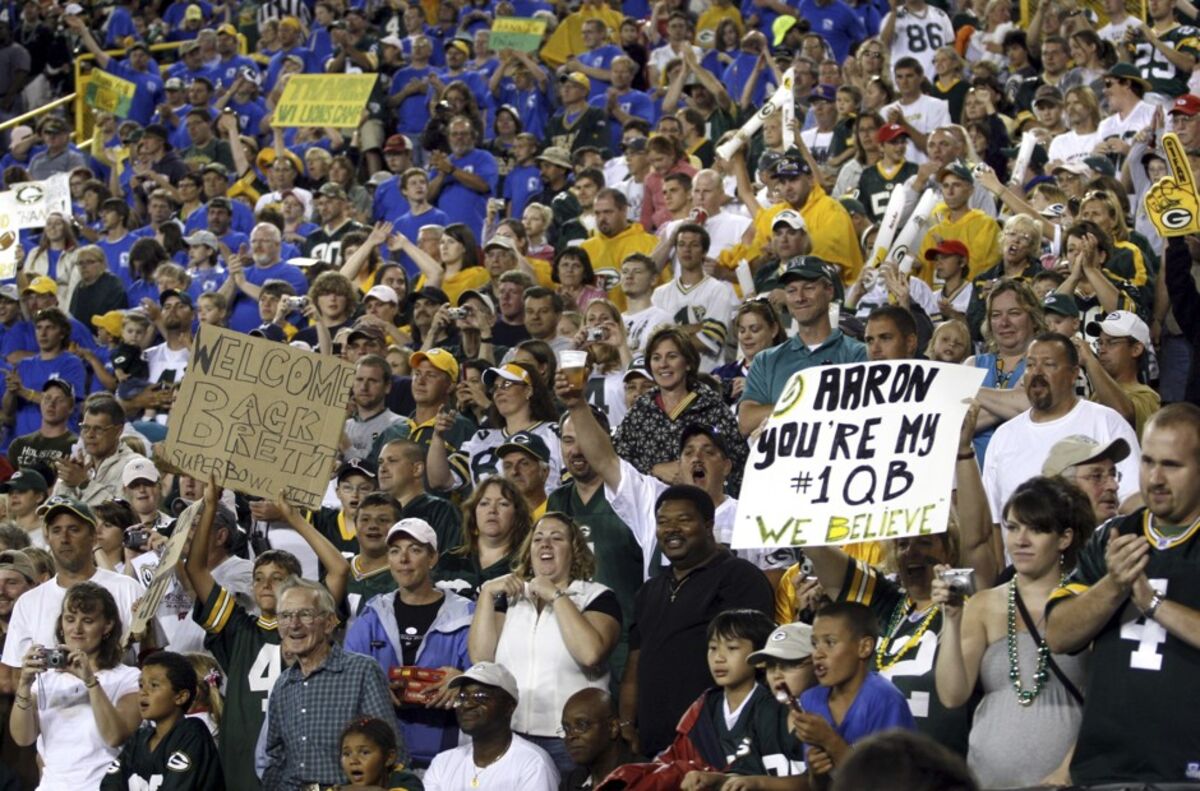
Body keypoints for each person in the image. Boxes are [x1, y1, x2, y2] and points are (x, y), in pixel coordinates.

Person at [1046, 403, 1200, 785]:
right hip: (1106, 772)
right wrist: (1114, 584)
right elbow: (1059, 634)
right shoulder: (1112, 537)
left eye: (1172, 465)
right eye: (1147, 462)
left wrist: (1153, 604)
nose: (1156, 478)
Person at [933, 476, 1091, 787]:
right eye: (1013, 527)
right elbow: (952, 695)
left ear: (1064, 538)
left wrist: (1067, 771)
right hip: (987, 779)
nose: (1021, 540)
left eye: (1036, 529)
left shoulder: (1088, 603)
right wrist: (951, 620)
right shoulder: (982, 605)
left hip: (1065, 783)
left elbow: (1106, 703)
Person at [621, 485, 773, 758]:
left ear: (708, 524)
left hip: (716, 743)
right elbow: (635, 661)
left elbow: (754, 664)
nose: (671, 529)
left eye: (684, 520)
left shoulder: (740, 578)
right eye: (663, 522)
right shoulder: (649, 590)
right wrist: (626, 724)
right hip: (654, 743)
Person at [469, 512, 621, 772]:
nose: (545, 544)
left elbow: (590, 653)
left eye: (556, 538)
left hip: (569, 740)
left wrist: (556, 596)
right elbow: (482, 659)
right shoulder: (512, 598)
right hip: (512, 735)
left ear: (574, 550)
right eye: (538, 539)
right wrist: (486, 595)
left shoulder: (596, 596)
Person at [344, 518, 473, 770]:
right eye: (395, 551)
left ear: (433, 558)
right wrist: (375, 688)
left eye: (414, 550)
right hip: (382, 762)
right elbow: (347, 678)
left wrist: (464, 680)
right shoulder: (372, 615)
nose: (403, 559)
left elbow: (488, 676)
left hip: (450, 758)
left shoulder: (466, 614)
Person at [982, 333, 1141, 529]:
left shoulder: (1106, 422)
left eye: (1049, 364)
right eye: (1030, 365)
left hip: (1094, 557)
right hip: (1018, 559)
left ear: (1074, 374)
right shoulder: (1003, 436)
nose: (1037, 372)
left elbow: (1133, 501)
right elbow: (993, 521)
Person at [262, 577, 398, 790]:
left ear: (328, 623)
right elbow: (276, 758)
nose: (294, 624)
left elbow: (390, 749)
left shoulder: (361, 671)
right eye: (285, 616)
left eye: (305, 614)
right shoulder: (283, 684)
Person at [10, 582, 141, 789]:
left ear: (107, 626)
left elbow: (115, 736)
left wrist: (90, 681)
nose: (77, 629)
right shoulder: (46, 679)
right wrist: (24, 685)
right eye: (70, 619)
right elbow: (23, 738)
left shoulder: (128, 678)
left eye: (87, 621)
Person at [1, 495, 144, 674]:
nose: (64, 538)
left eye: (74, 529)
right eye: (56, 530)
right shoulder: (28, 602)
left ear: (93, 537)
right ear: (47, 538)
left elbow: (149, 659)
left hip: (116, 699)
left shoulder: (128, 589)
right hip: (50, 701)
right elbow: (16, 674)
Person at [738, 257, 866, 436]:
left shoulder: (859, 354)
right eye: (791, 291)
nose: (799, 298)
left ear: (829, 291)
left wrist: (782, 411)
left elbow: (862, 415)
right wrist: (807, 405)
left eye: (809, 288)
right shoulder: (766, 360)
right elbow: (746, 421)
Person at [613, 326, 748, 494]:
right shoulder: (641, 410)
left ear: (688, 363)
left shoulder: (712, 407)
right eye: (656, 358)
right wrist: (654, 469)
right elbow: (617, 460)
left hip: (704, 509)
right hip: (649, 509)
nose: (663, 364)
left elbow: (738, 465)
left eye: (672, 356)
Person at [792, 603, 916, 781]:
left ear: (864, 647)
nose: (817, 654)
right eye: (814, 643)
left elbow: (888, 785)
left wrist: (830, 741)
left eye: (830, 642)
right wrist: (816, 774)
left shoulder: (885, 700)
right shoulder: (811, 699)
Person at [423, 661, 559, 790]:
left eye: (480, 696)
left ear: (509, 707)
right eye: (462, 697)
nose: (467, 704)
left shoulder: (533, 764)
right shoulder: (443, 763)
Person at [100, 651, 223, 791]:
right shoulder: (139, 738)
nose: (143, 692)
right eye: (141, 685)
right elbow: (110, 785)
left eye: (154, 685)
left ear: (181, 697)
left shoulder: (192, 733)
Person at [436, 477, 534, 599]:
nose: (492, 510)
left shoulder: (527, 565)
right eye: (484, 503)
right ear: (473, 513)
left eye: (503, 504)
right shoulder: (449, 560)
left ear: (517, 515)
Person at [50, 397, 146, 506]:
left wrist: (85, 484)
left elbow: (126, 514)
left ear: (119, 430)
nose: (90, 435)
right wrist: (67, 485)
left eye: (98, 429)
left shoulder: (135, 466)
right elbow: (53, 510)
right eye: (86, 427)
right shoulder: (77, 464)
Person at [558, 688, 637, 791]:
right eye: (566, 729)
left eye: (582, 725)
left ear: (613, 727)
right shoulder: (573, 781)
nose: (570, 736)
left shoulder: (644, 778)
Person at [1042, 435, 1131, 526]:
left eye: (1113, 475)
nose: (1114, 486)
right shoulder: (1034, 539)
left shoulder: (1131, 534)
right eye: (1096, 476)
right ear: (1064, 487)